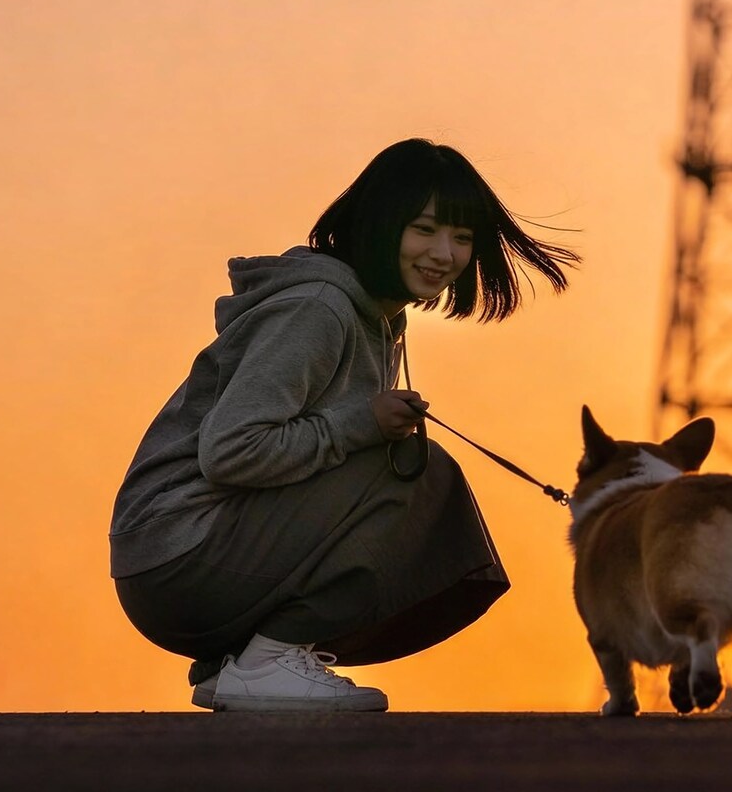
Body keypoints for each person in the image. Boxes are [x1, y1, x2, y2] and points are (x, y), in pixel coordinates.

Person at [109, 138, 579, 712]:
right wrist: (361, 425)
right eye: (425, 229)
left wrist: (363, 426)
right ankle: (269, 657)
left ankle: (247, 662)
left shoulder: (377, 318)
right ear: (381, 224)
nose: (444, 252)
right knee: (417, 472)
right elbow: (231, 451)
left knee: (408, 469)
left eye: (462, 237)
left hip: (187, 562)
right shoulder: (317, 310)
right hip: (178, 557)